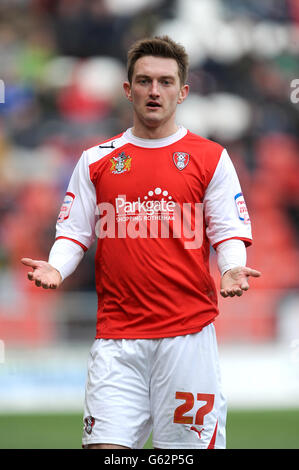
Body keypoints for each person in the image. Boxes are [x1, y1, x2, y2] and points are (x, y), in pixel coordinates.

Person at [21, 36, 261, 449]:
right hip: (117, 341)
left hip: (187, 339)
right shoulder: (96, 160)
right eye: (145, 81)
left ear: (183, 92)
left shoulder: (210, 158)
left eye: (166, 82)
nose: (155, 91)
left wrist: (231, 267)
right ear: (127, 89)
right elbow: (74, 231)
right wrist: (57, 266)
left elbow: (227, 231)